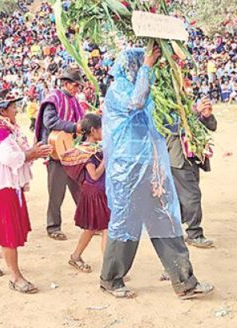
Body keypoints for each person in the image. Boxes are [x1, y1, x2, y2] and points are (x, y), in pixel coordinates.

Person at [99, 46, 213, 300]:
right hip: (127, 169)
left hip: (151, 167)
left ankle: (184, 281)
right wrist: (149, 64)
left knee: (166, 220)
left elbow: (164, 123)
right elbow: (135, 103)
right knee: (126, 224)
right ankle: (110, 278)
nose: (144, 68)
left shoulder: (148, 94)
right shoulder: (118, 90)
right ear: (131, 67)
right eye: (140, 64)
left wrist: (192, 113)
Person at [0, 97, 52, 293]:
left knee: (0, 228)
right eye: (13, 107)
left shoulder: (1, 129)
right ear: (3, 111)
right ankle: (15, 277)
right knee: (7, 231)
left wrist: (31, 152)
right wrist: (32, 154)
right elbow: (9, 157)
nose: (16, 111)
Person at [35, 67, 86, 241]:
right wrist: (73, 127)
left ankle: (88, 223)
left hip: (70, 148)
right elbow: (49, 121)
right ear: (66, 84)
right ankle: (53, 226)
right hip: (56, 151)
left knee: (80, 188)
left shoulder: (74, 101)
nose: (77, 89)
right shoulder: (53, 98)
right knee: (56, 192)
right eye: (75, 85)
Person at [166, 96, 217, 248]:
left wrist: (206, 115)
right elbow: (173, 126)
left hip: (192, 157)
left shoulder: (187, 102)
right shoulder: (164, 104)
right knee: (192, 196)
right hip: (178, 158)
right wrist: (195, 112)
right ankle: (194, 233)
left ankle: (174, 231)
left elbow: (211, 126)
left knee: (183, 196)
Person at [68, 113, 109, 273]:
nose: (103, 131)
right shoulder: (88, 151)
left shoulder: (87, 148)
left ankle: (76, 256)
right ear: (93, 130)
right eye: (101, 128)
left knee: (92, 228)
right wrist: (106, 159)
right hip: (95, 193)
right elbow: (94, 175)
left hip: (94, 192)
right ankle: (108, 268)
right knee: (106, 227)